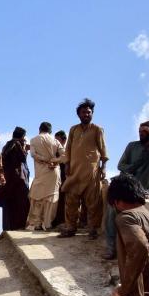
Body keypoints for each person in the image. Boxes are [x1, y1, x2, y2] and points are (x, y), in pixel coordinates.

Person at [104, 120, 149, 259]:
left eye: (145, 132)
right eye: (140, 131)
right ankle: (111, 247)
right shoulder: (132, 146)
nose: (141, 134)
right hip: (126, 183)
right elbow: (121, 166)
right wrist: (134, 166)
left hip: (141, 186)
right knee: (112, 209)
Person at [59, 98, 108, 239]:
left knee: (93, 202)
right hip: (74, 172)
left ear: (92, 114)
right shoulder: (73, 129)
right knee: (71, 201)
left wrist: (103, 167)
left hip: (91, 172)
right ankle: (70, 228)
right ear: (78, 114)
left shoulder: (97, 129)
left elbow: (103, 150)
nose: (86, 114)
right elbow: (68, 149)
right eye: (83, 112)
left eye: (89, 112)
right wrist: (67, 165)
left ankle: (93, 229)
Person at [26, 122, 64, 231]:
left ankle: (37, 224)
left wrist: (45, 160)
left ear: (39, 129)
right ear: (50, 131)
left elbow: (33, 154)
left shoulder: (34, 140)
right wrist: (54, 160)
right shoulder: (55, 141)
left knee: (37, 198)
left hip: (41, 172)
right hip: (53, 171)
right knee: (51, 199)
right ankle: (47, 224)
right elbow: (65, 156)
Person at [0, 127, 31, 232]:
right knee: (21, 205)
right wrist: (24, 148)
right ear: (21, 136)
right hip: (17, 182)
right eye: (24, 137)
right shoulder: (16, 144)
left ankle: (10, 228)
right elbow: (22, 158)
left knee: (10, 207)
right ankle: (19, 227)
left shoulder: (7, 145)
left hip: (10, 181)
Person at [52, 130, 68, 228]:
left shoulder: (66, 152)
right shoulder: (54, 152)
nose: (56, 143)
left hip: (64, 179)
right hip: (54, 180)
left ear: (64, 140)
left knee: (62, 200)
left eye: (57, 140)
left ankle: (61, 221)